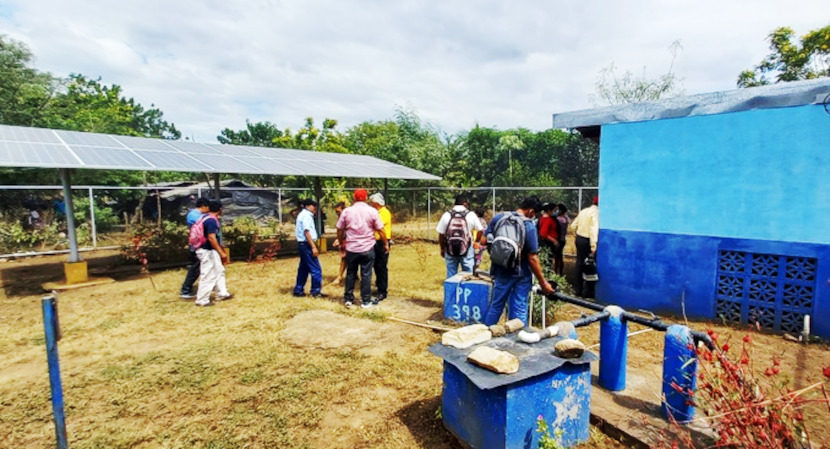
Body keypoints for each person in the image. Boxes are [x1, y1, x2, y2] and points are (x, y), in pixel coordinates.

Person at [483, 196, 555, 326]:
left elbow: (483, 241)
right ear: (531, 211)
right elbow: (532, 258)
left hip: (500, 271)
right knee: (519, 308)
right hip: (521, 274)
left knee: (496, 306)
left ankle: (485, 335)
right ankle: (518, 340)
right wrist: (543, 283)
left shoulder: (499, 218)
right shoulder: (529, 226)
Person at [336, 189, 388, 308]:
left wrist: (340, 242)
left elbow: (339, 229)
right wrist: (385, 243)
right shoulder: (372, 211)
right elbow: (380, 229)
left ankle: (348, 298)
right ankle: (365, 300)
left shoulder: (347, 212)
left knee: (350, 273)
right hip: (367, 248)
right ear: (366, 198)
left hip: (352, 247)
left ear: (354, 198)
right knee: (366, 274)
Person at [435, 194, 485, 278]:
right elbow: (480, 230)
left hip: (450, 249)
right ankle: (466, 289)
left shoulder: (447, 215)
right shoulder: (471, 214)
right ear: (465, 203)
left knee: (451, 273)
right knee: (468, 274)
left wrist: (442, 248)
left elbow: (441, 234)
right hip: (467, 249)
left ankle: (452, 290)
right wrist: (476, 241)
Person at [195, 200, 233, 307]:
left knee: (219, 270)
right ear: (219, 209)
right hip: (207, 250)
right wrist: (222, 253)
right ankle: (202, 299)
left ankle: (222, 292)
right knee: (208, 274)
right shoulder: (211, 221)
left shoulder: (205, 217)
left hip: (211, 250)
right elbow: (211, 238)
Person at [293, 199, 326, 298]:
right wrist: (313, 247)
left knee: (304, 268)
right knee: (316, 269)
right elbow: (307, 232)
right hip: (307, 244)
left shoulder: (302, 214)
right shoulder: (307, 215)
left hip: (303, 244)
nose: (315, 208)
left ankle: (298, 289)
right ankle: (316, 291)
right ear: (307, 206)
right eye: (313, 206)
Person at [180, 197, 210, 299]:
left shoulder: (198, 214)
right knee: (195, 268)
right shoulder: (194, 215)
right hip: (196, 246)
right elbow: (204, 225)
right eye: (207, 207)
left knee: (200, 268)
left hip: (199, 245)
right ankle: (185, 290)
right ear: (203, 206)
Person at [571, 196, 599, 298]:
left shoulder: (584, 210)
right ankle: (588, 291)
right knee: (590, 265)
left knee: (579, 263)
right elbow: (593, 229)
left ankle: (577, 290)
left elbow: (573, 225)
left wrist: (576, 235)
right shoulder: (596, 213)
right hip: (588, 240)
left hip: (579, 238)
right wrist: (593, 245)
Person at [369, 193, 391, 302]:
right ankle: (378, 287)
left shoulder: (384, 213)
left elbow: (378, 226)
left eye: (372, 202)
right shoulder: (377, 212)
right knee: (376, 266)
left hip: (382, 242)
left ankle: (383, 291)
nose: (370, 204)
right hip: (375, 242)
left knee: (381, 266)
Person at [537, 203, 560, 272]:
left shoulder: (543, 218)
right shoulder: (548, 220)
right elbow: (543, 233)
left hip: (545, 243)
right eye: (554, 210)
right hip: (547, 244)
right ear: (549, 210)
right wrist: (554, 241)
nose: (556, 212)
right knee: (547, 262)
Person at [330, 201, 348, 286]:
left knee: (345, 259)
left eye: (338, 211)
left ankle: (339, 277)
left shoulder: (348, 216)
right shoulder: (340, 217)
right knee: (345, 258)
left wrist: (340, 239)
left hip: (350, 240)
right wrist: (339, 239)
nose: (337, 213)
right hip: (344, 240)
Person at [554, 203, 570, 276]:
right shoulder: (566, 218)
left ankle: (557, 272)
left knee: (558, 257)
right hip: (563, 239)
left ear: (561, 210)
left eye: (558, 210)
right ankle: (560, 272)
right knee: (559, 256)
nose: (557, 211)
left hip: (559, 239)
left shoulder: (560, 219)